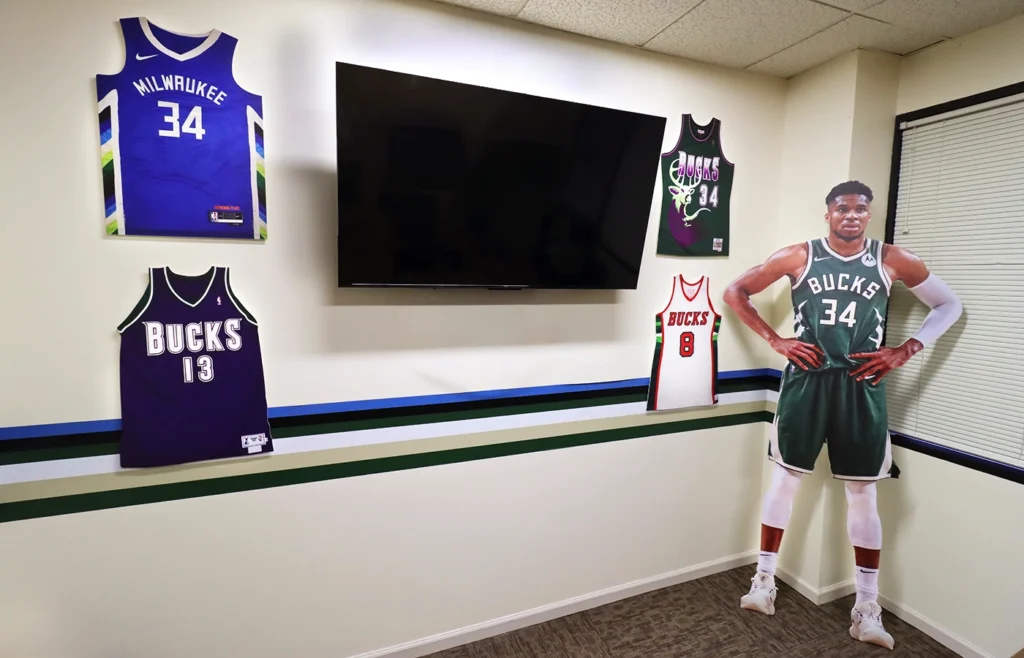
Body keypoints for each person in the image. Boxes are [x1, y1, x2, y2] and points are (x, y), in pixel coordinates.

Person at [722, 180, 962, 650]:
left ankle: (866, 607)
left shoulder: (891, 259)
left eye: (860, 209)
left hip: (861, 385)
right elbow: (736, 291)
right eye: (842, 208)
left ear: (868, 215)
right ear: (827, 213)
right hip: (806, 382)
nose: (851, 215)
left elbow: (949, 304)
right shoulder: (798, 256)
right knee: (785, 481)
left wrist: (907, 349)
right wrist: (777, 341)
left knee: (862, 493)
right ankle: (764, 581)